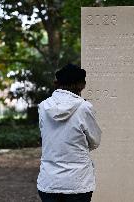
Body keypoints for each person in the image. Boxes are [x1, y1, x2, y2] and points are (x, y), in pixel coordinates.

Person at [37, 63, 102, 202]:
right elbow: (95, 141)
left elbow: (46, 137)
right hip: (78, 182)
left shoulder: (43, 107)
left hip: (49, 181)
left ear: (56, 83)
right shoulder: (84, 108)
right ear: (81, 85)